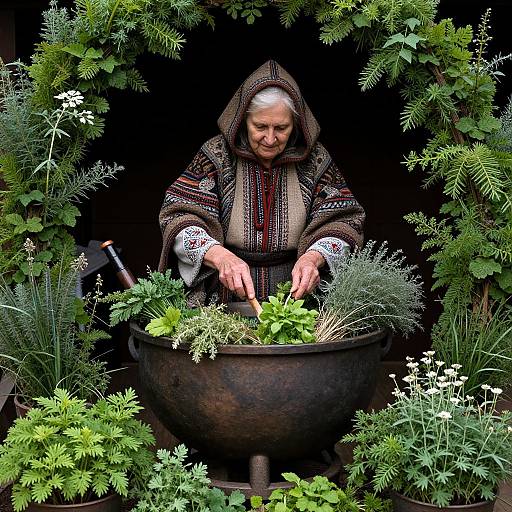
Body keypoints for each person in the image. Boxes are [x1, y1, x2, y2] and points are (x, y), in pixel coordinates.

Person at [158, 60, 365, 305]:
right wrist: (219, 256)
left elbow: (345, 220)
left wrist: (314, 258)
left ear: (295, 124)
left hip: (298, 301)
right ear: (244, 120)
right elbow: (178, 216)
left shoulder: (314, 160)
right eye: (260, 126)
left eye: (281, 128)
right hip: (221, 300)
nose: (269, 138)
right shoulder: (217, 155)